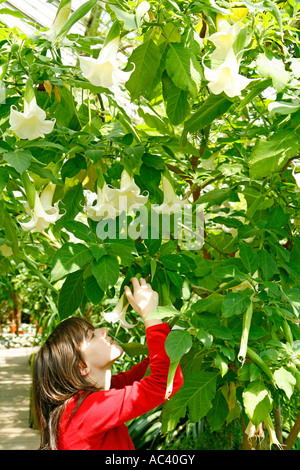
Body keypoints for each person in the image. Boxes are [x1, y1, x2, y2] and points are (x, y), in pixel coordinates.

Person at [32, 277, 184, 450]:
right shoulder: (88, 411)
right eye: (91, 335)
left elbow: (147, 370)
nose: (104, 331)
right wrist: (149, 314)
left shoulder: (86, 401)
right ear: (81, 367)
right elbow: (164, 382)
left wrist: (172, 336)